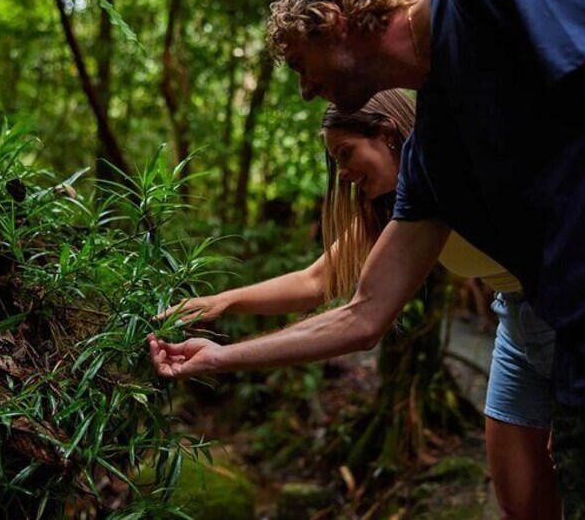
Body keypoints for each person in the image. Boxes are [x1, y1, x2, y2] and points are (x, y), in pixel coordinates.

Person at [151, 0, 585, 516]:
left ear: (330, 18)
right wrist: (220, 358)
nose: (304, 89)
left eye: (300, 63)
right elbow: (362, 314)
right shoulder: (430, 158)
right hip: (583, 372)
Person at [159, 90, 561, 517]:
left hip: (570, 313)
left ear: (387, 132)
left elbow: (362, 319)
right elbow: (316, 281)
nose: (344, 172)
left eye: (347, 153)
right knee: (521, 503)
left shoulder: (460, 164)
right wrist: (220, 303)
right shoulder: (403, 209)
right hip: (513, 325)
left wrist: (569, 392)